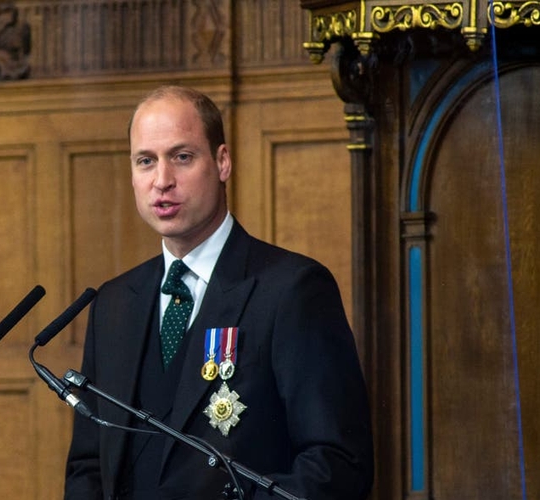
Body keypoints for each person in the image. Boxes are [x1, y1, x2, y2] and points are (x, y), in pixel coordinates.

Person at [64, 85, 374, 500]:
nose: (162, 181)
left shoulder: (292, 290)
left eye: (182, 157)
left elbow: (336, 465)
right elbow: (88, 466)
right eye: (145, 161)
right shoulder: (114, 303)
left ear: (223, 162)